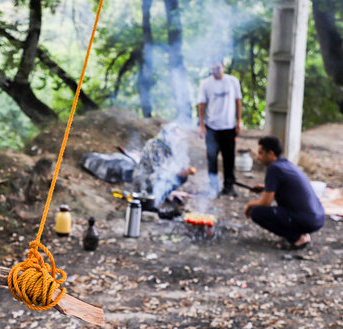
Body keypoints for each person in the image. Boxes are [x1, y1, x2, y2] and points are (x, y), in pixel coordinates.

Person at [244, 136, 325, 249]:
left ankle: (297, 238)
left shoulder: (273, 168)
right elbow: (287, 186)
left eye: (260, 153)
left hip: (308, 220)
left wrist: (249, 205)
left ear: (271, 153)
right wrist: (264, 188)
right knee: (278, 209)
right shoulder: (285, 164)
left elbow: (265, 202)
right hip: (317, 217)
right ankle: (301, 232)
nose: (258, 157)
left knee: (256, 212)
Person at [197, 60, 242, 197]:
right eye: (212, 69)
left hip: (228, 126)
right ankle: (213, 187)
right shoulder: (205, 84)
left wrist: (238, 121)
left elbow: (238, 101)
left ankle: (229, 186)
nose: (215, 71)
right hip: (212, 127)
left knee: (229, 158)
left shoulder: (232, 81)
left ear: (223, 66)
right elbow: (201, 105)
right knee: (212, 158)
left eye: (217, 68)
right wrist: (202, 125)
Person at [134, 123, 196, 206]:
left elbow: (172, 165)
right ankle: (153, 201)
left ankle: (161, 196)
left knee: (181, 178)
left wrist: (184, 171)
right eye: (174, 135)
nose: (176, 138)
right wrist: (176, 173)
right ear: (167, 134)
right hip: (145, 179)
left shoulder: (168, 147)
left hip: (158, 177)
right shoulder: (154, 145)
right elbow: (157, 170)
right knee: (171, 178)